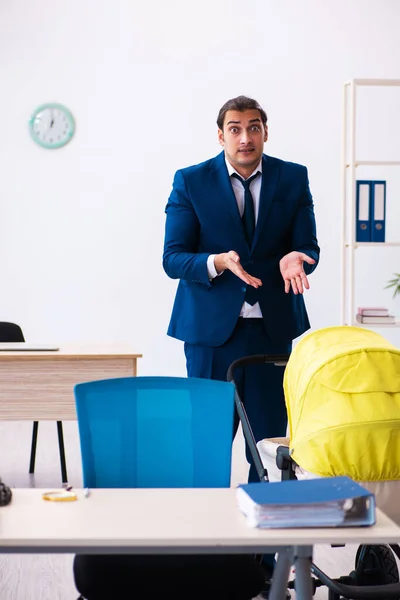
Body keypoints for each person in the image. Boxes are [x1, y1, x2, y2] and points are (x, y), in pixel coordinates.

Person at [163, 93, 319, 467]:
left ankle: (263, 517)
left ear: (265, 133)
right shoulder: (191, 181)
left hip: (273, 330)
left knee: (268, 448)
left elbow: (307, 247)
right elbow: (173, 258)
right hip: (210, 335)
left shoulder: (293, 178)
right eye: (235, 129)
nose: (245, 137)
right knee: (207, 444)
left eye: (253, 128)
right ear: (221, 136)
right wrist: (216, 261)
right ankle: (208, 521)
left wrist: (297, 258)